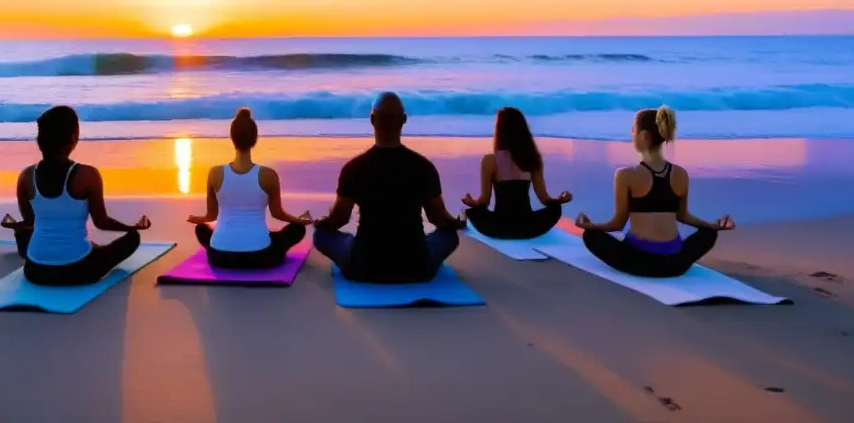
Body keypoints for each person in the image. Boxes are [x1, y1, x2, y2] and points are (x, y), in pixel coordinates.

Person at [312, 92, 466, 283]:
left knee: (320, 235)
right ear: (404, 120)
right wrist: (456, 223)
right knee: (449, 236)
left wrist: (322, 222)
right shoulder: (423, 167)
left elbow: (339, 219)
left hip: (364, 266)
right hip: (416, 267)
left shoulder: (354, 168)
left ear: (372, 119)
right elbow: (438, 218)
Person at [574, 105, 735, 278]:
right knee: (708, 234)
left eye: (633, 130)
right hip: (676, 263)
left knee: (591, 236)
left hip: (641, 262)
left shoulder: (625, 175)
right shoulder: (681, 174)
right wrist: (713, 226)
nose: (631, 134)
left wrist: (591, 226)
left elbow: (617, 224)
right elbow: (683, 216)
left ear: (644, 136)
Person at [0, 105, 151, 286]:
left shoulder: (26, 176)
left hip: (35, 271)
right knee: (133, 238)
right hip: (79, 270)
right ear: (73, 137)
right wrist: (132, 227)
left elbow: (31, 222)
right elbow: (101, 222)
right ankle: (89, 248)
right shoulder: (87, 175)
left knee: (28, 234)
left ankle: (61, 248)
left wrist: (19, 226)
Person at [188, 108, 311, 269]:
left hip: (219, 257)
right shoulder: (268, 175)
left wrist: (197, 219)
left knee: (201, 229)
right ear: (255, 139)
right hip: (260, 257)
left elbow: (211, 215)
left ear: (232, 138)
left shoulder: (215, 173)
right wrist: (298, 221)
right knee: (296, 230)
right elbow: (277, 213)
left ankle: (227, 241)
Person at [461, 107, 573, 239]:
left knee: (473, 212)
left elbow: (484, 202)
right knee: (555, 209)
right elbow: (545, 199)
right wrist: (560, 200)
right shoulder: (533, 158)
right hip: (527, 226)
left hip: (500, 226)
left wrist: (471, 203)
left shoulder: (490, 160)